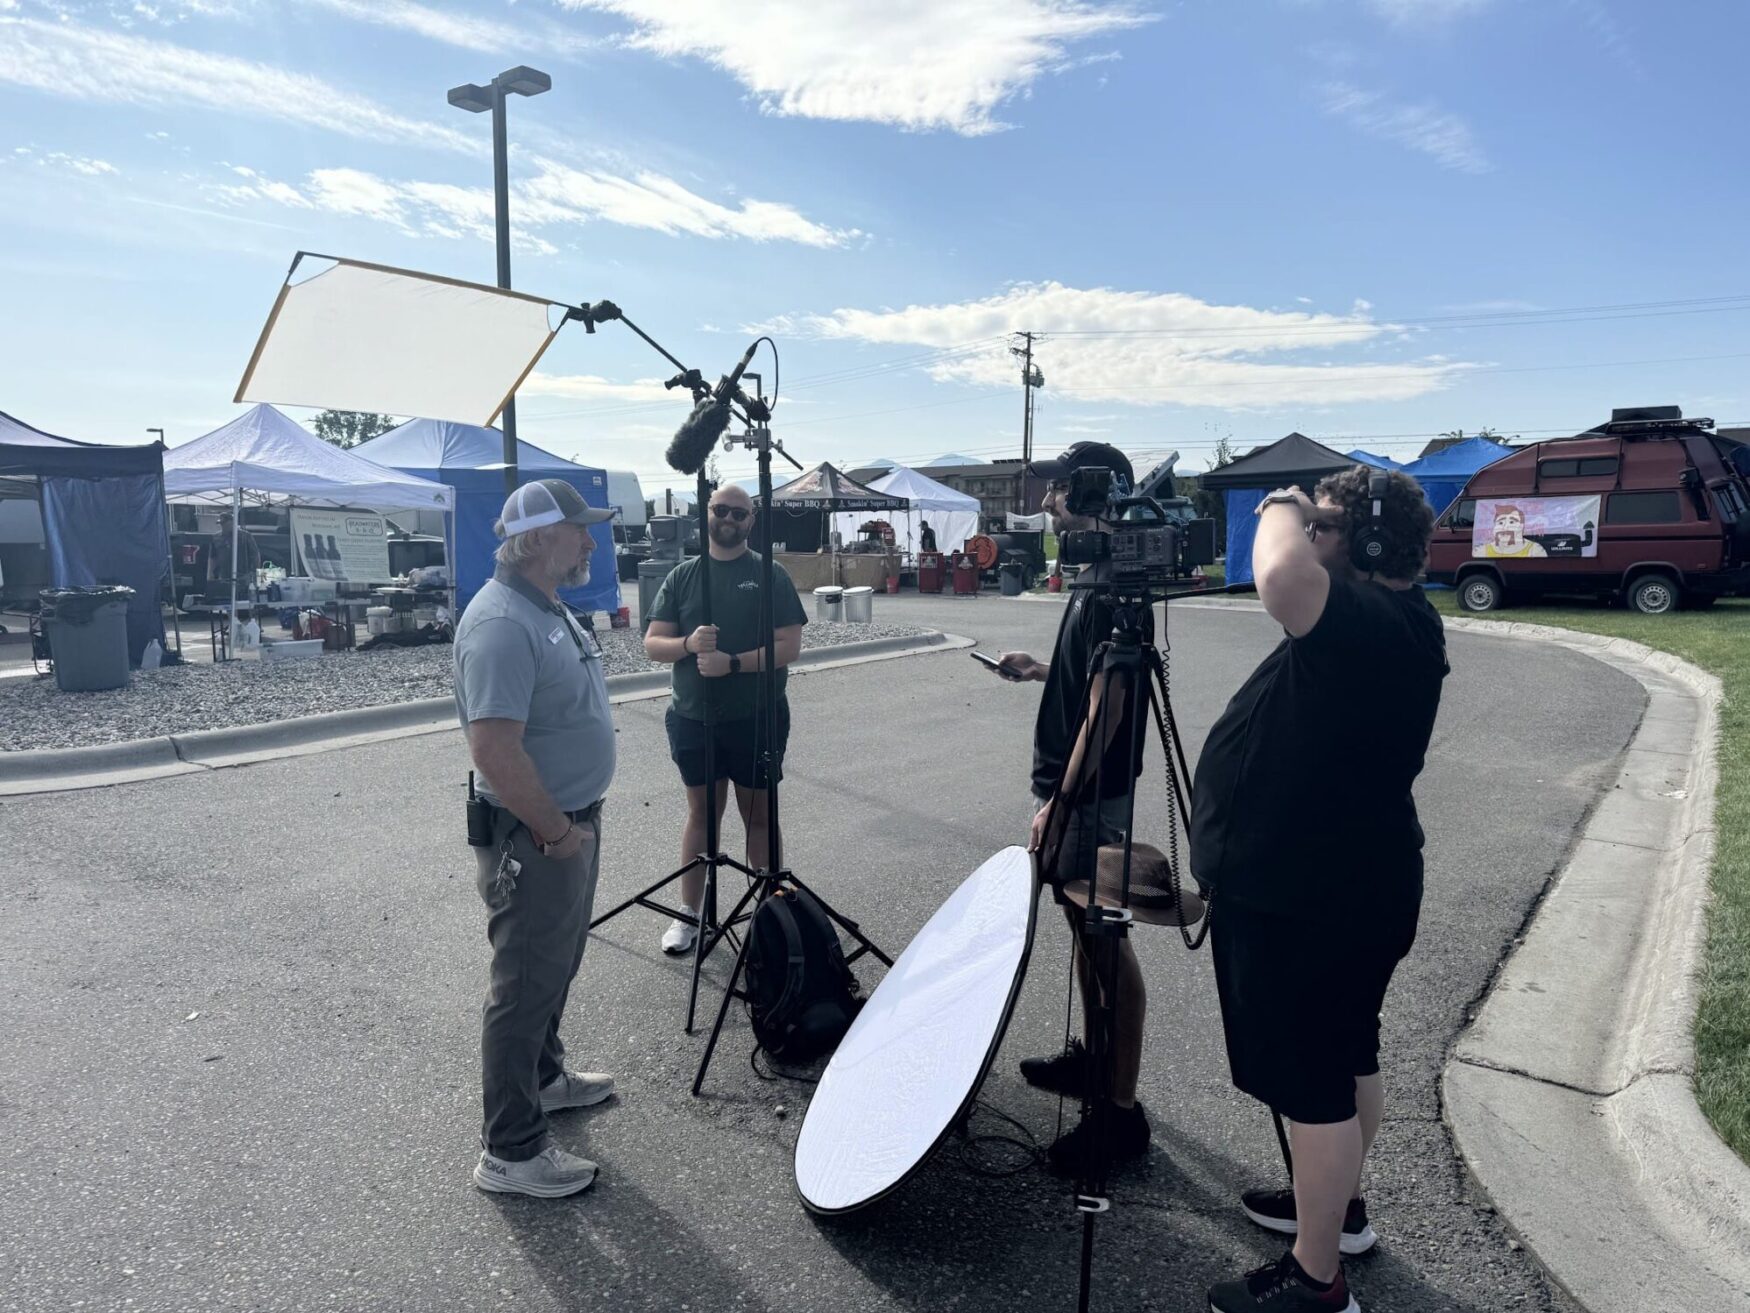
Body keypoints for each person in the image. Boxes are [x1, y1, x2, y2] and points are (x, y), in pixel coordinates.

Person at [1192, 468, 1446, 1313]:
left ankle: (1316, 1280)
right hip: (1342, 887)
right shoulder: (1391, 622)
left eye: (1324, 525)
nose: (1307, 535)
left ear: (1365, 545)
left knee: (1312, 1081)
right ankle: (1335, 1217)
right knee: (1346, 1055)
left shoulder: (1375, 621)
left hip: (1311, 894)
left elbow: (1279, 578)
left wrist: (1276, 506)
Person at [982, 441, 1156, 1177]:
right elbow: (1096, 675)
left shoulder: (1122, 580)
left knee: (1104, 936)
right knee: (1085, 930)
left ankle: (1118, 1113)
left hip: (1085, 794)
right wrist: (1044, 668)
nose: (1047, 502)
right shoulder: (1098, 571)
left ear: (1087, 490)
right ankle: (1093, 1059)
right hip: (1075, 789)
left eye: (1056, 489)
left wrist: (1059, 801)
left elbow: (1112, 703)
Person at [453, 479, 620, 1199]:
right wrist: (555, 831)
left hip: (567, 823)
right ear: (540, 537)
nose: (590, 541)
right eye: (579, 530)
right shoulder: (500, 623)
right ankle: (511, 1151)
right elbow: (494, 748)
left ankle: (546, 1079)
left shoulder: (542, 605)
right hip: (538, 833)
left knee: (553, 967)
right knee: (522, 986)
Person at [643, 484, 809, 955]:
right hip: (694, 718)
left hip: (756, 716)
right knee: (703, 815)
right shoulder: (683, 577)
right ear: (707, 514)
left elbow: (789, 646)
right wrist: (689, 646)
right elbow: (654, 643)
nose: (730, 519)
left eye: (740, 513)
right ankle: (690, 914)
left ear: (751, 521)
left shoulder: (769, 575)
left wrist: (733, 663)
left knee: (758, 815)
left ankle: (770, 912)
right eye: (721, 510)